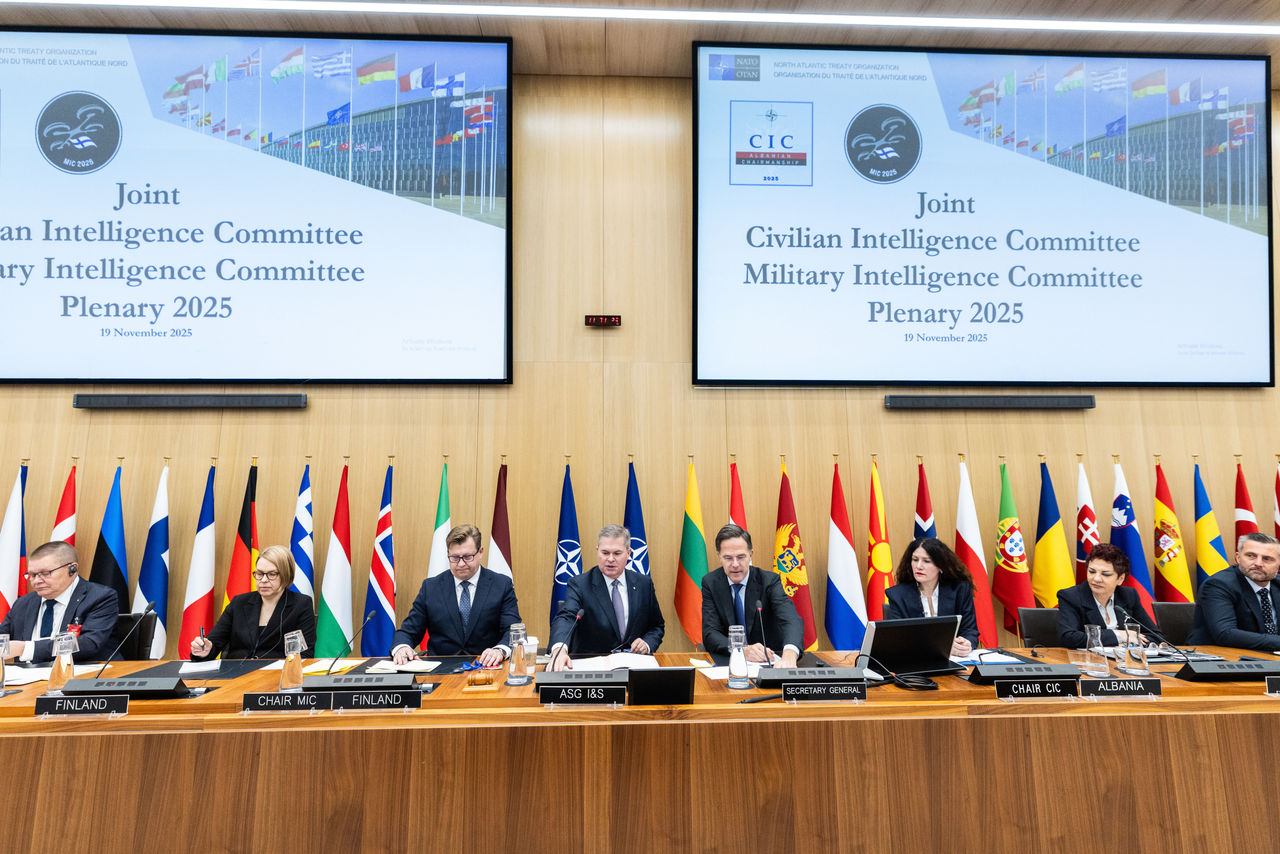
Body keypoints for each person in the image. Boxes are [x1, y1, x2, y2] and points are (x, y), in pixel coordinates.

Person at [391, 524, 522, 666]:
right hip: (441, 671)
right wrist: (402, 646)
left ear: (480, 552)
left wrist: (499, 650)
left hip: (487, 668)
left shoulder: (501, 585)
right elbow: (409, 632)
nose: (460, 564)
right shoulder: (431, 588)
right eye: (454, 557)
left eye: (467, 557)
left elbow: (512, 630)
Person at [548, 524, 664, 670]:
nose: (610, 559)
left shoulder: (643, 584)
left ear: (628, 553)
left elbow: (657, 625)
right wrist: (559, 649)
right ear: (597, 551)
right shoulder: (580, 584)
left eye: (617, 553)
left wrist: (647, 643)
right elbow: (566, 617)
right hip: (593, 667)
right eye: (605, 553)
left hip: (634, 667)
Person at [701, 523, 801, 668]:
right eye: (728, 558)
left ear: (751, 555)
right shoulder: (711, 583)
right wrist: (742, 650)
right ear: (719, 557)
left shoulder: (769, 581)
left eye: (741, 557)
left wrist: (790, 655)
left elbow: (790, 619)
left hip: (770, 662)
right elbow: (710, 632)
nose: (735, 564)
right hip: (729, 664)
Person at [0, 541, 118, 663]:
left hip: (82, 675)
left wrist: (26, 649)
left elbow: (89, 643)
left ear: (72, 569)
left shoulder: (100, 597)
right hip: (28, 678)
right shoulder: (23, 603)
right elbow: (2, 635)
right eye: (32, 575)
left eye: (45, 573)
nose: (36, 581)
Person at [190, 545, 316, 660]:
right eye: (259, 574)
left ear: (286, 575)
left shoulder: (301, 604)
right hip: (235, 676)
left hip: (277, 677)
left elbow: (305, 654)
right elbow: (214, 642)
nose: (263, 580)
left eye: (272, 574)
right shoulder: (239, 603)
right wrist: (205, 649)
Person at [884, 537, 980, 657]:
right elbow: (897, 639)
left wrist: (966, 643)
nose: (918, 566)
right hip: (916, 662)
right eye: (915, 560)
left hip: (956, 662)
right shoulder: (897, 595)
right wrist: (945, 647)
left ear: (941, 566)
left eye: (926, 561)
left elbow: (970, 630)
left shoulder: (959, 589)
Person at [1188, 532, 1280, 651]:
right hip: (1216, 658)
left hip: (1268, 656)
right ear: (1238, 558)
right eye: (1251, 556)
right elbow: (1225, 634)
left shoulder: (1277, 584)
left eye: (1267, 559)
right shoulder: (1219, 584)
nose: (1258, 563)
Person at [1057, 542, 1158, 649]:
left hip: (1126, 661)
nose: (1096, 579)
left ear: (1120, 579)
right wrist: (1119, 635)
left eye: (1105, 574)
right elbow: (1068, 637)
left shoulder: (1128, 596)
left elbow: (1155, 636)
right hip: (1089, 662)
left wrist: (1126, 645)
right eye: (1091, 572)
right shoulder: (1071, 596)